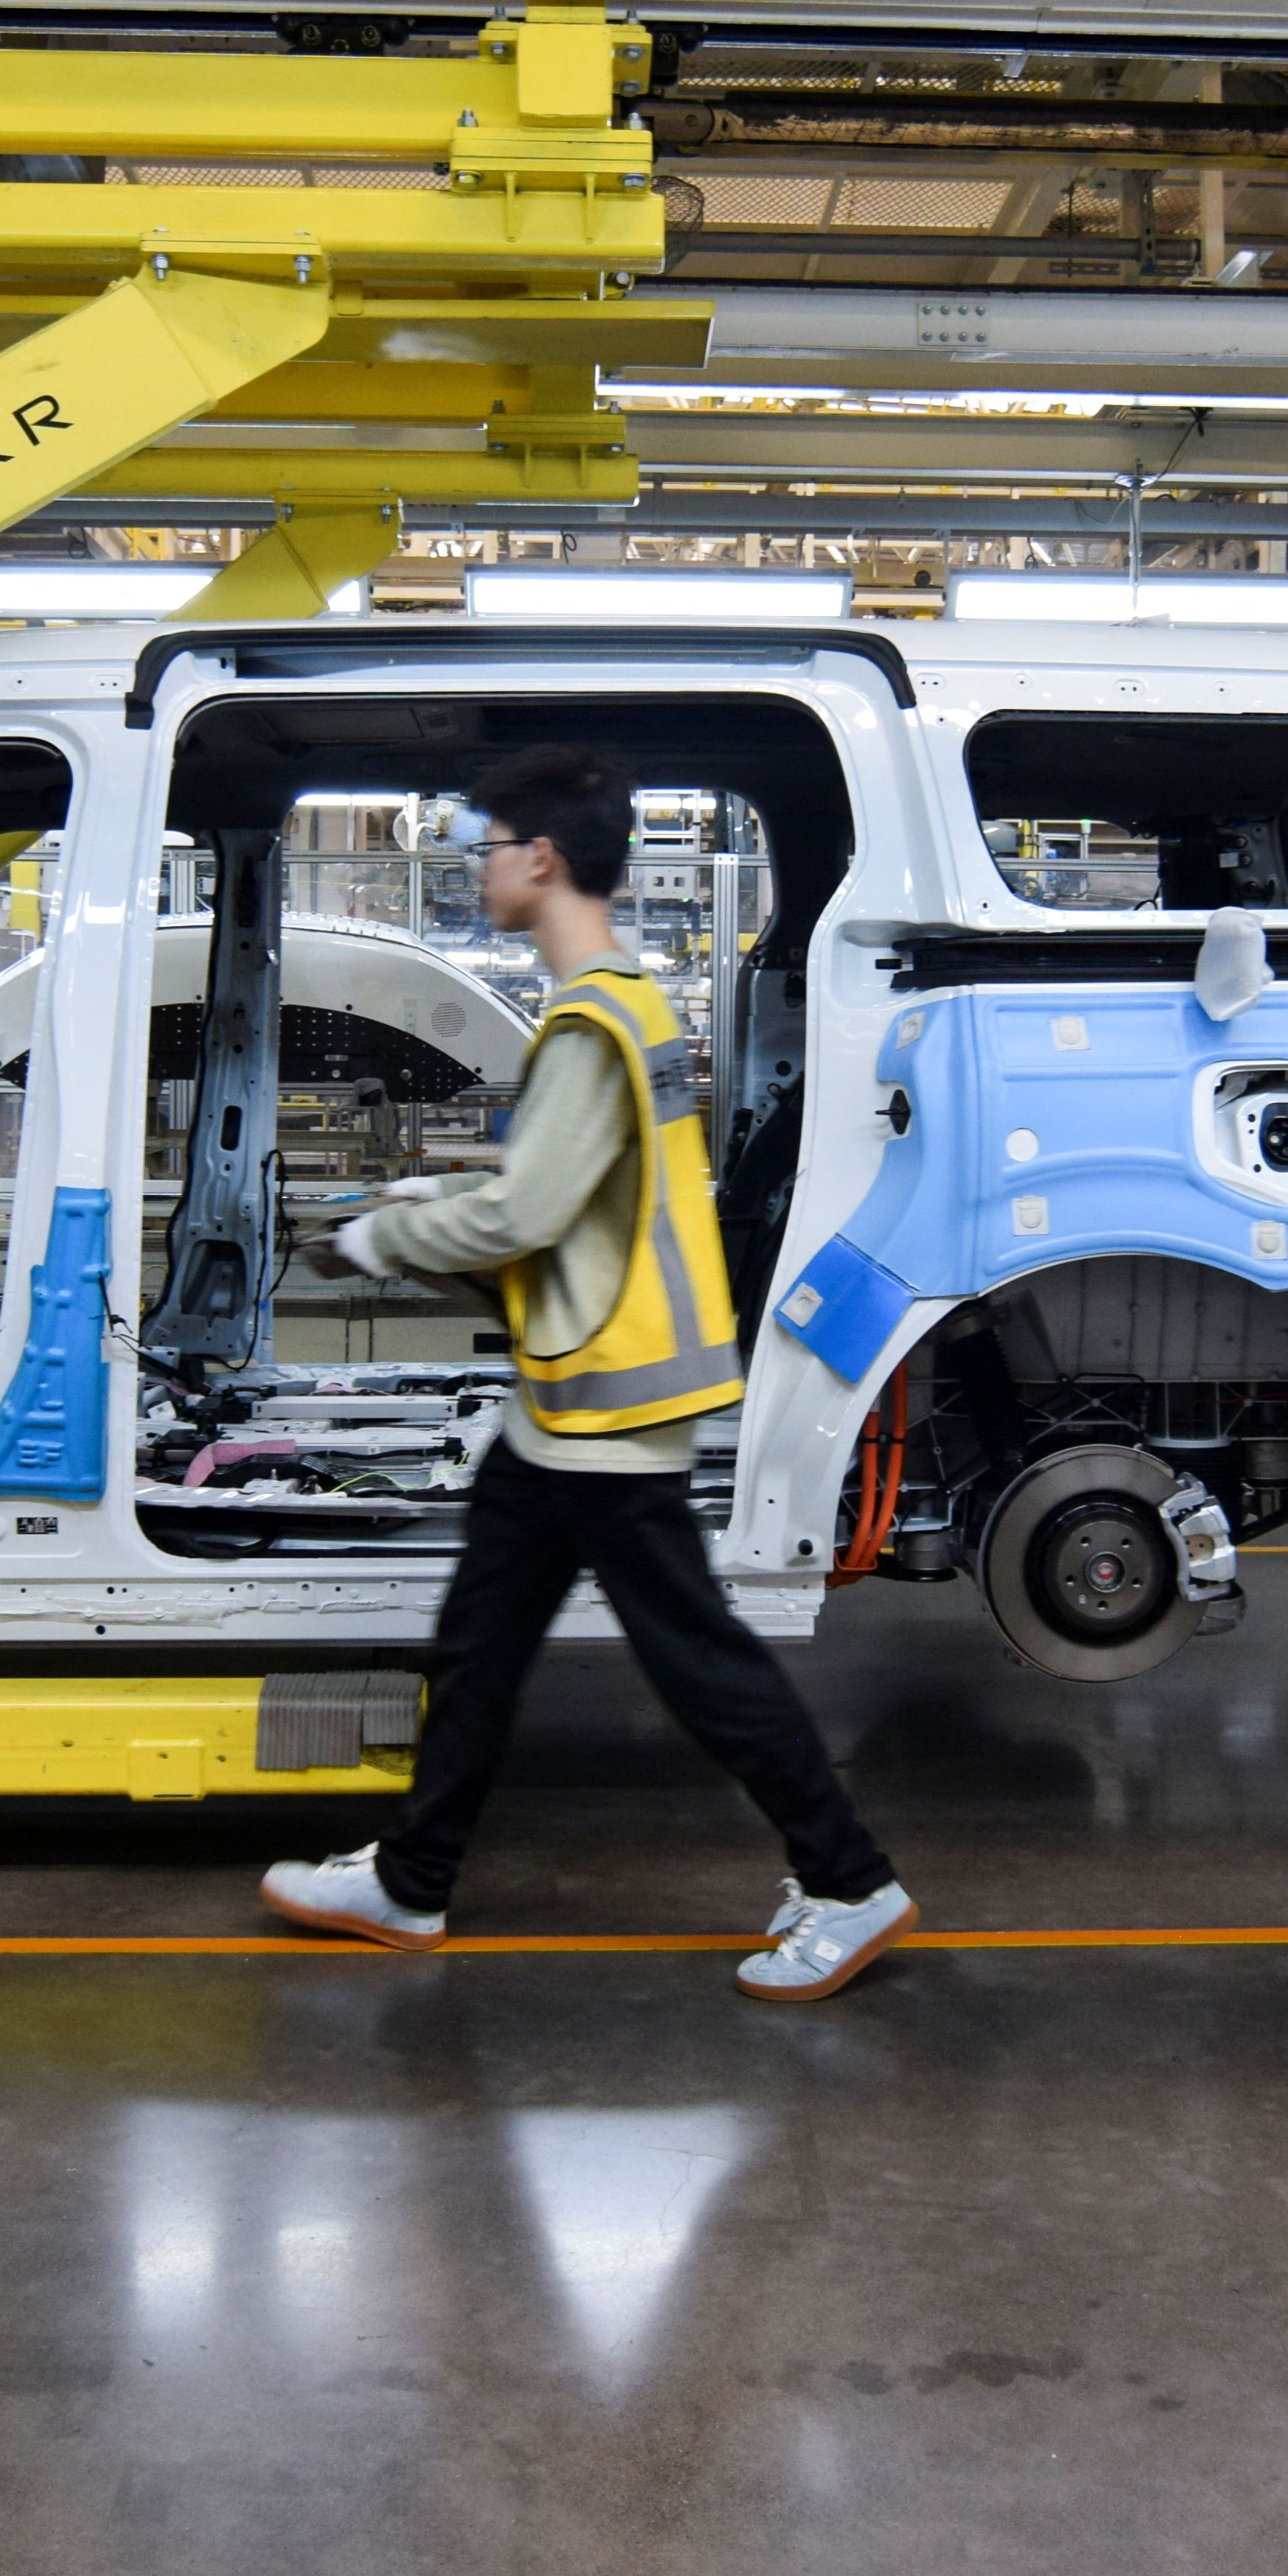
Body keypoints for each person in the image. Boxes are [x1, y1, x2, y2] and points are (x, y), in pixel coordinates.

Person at [256, 746, 916, 2003]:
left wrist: (371, 1237)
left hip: (603, 1415)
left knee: (699, 1665)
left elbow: (529, 1216)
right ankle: (411, 1881)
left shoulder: (589, 1022)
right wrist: (432, 1191)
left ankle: (849, 1881)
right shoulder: (634, 999)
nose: (479, 862)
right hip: (572, 1405)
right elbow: (580, 1197)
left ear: (541, 860)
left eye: (491, 843)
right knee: (480, 1644)